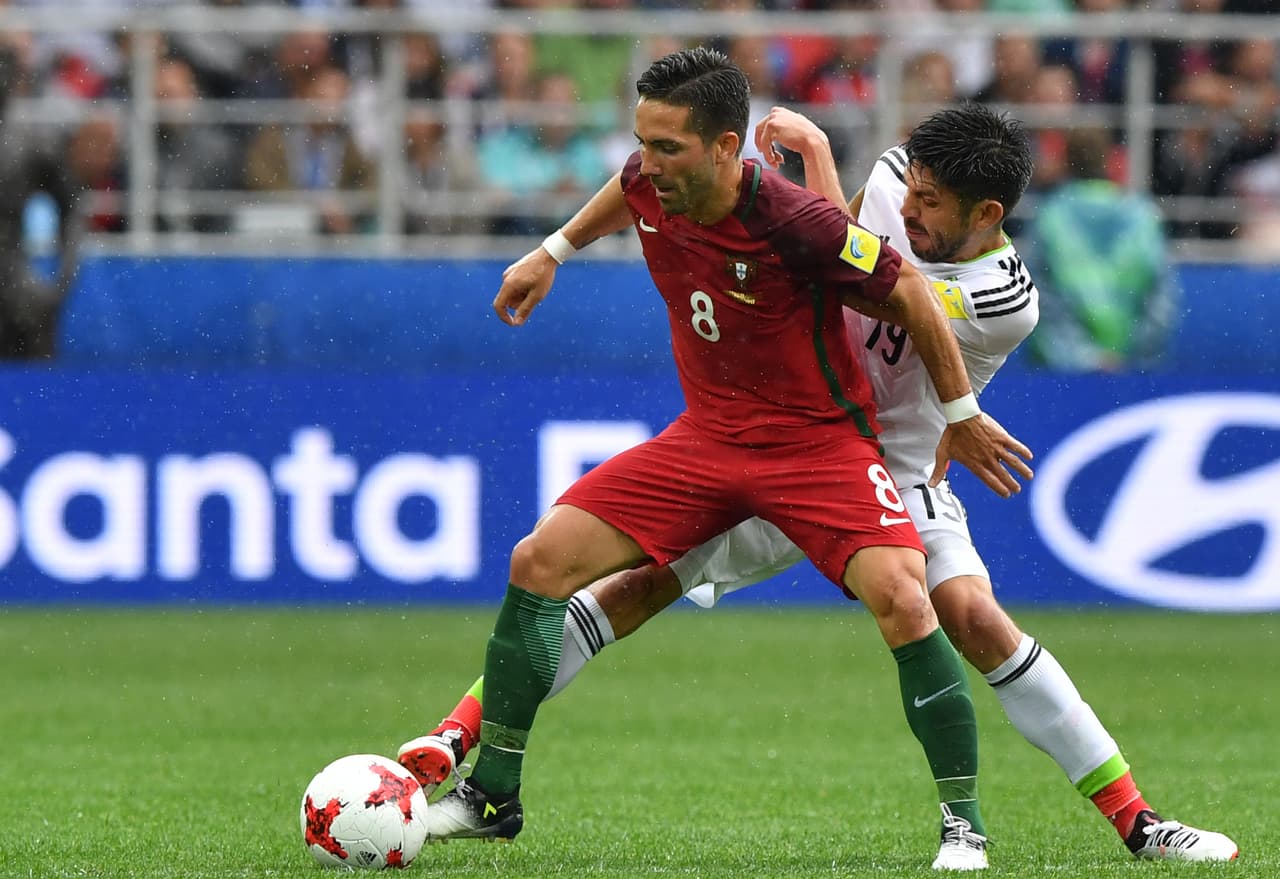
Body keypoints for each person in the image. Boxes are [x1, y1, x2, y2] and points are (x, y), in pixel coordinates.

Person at [399, 102, 1239, 864]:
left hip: (894, 468)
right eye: (912, 187)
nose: (909, 209)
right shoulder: (894, 182)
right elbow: (831, 248)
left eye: (933, 203)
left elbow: (881, 292)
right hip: (791, 438)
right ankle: (460, 741)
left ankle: (1137, 820)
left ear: (988, 216)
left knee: (972, 616)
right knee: (634, 585)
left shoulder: (1005, 296)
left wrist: (827, 176)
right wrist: (837, 184)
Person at [414, 48, 1034, 872]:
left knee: (903, 597)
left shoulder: (792, 219)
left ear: (724, 147)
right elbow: (626, 190)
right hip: (707, 438)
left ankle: (965, 825)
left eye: (668, 147)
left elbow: (912, 292)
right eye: (643, 141)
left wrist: (960, 414)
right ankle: (492, 794)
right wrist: (553, 251)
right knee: (539, 559)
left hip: (817, 444)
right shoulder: (649, 180)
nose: (648, 163)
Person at [1023, 127, 1179, 372]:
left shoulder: (1050, 215)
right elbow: (1160, 299)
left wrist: (1080, 356)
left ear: (1065, 161)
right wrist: (1130, 357)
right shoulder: (1142, 215)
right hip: (1131, 373)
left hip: (1061, 375)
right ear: (1110, 159)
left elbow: (1036, 296)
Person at [0, 42, 81, 358]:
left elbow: (72, 210)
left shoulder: (32, 145)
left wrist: (60, 283)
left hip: (13, 276)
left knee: (35, 390)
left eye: (5, 73)